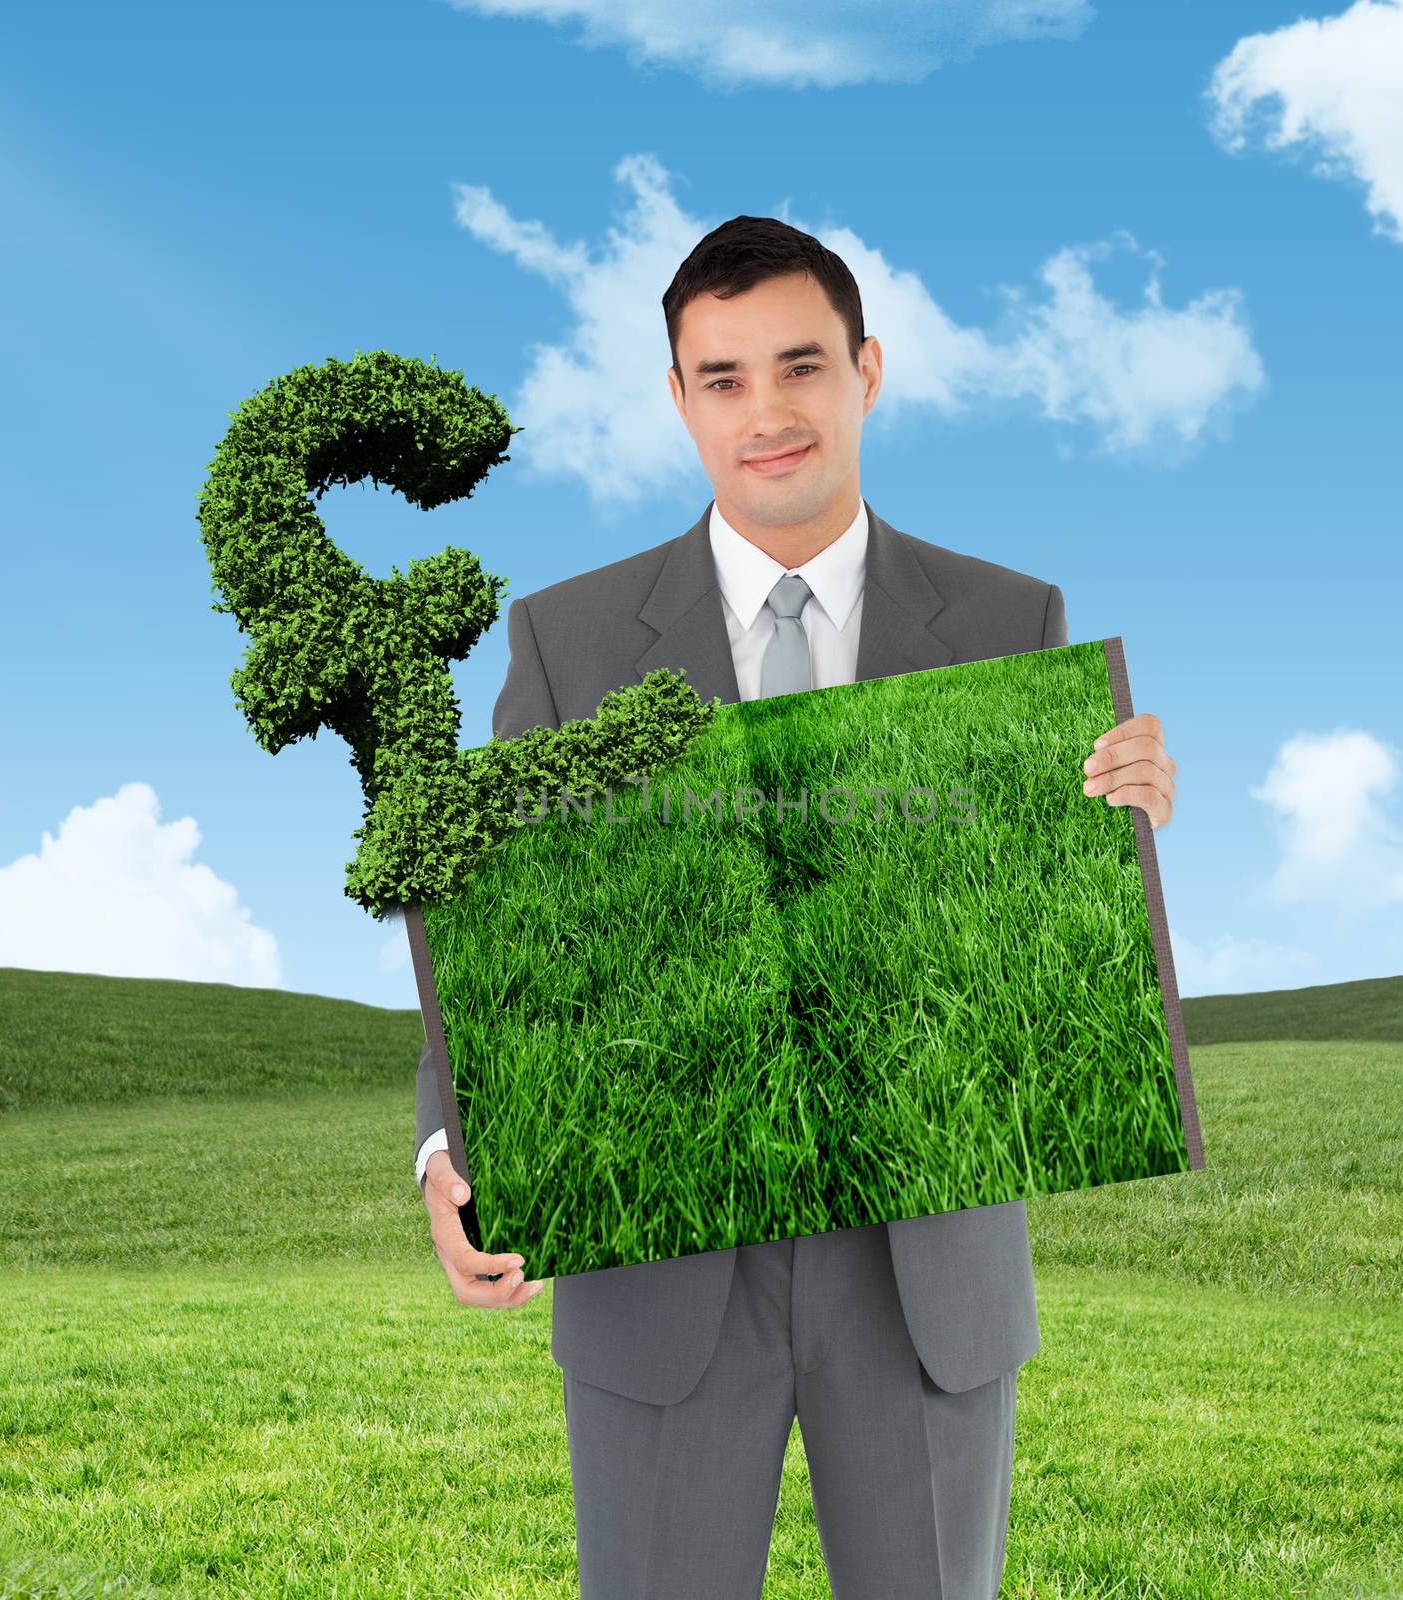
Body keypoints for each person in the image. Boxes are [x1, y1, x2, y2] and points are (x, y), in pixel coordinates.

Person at [414, 215, 1177, 1599]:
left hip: (922, 1269)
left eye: (801, 366)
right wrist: (445, 1149)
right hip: (662, 1269)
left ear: (866, 372)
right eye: (723, 379)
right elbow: (502, 933)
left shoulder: (1010, 619)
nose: (766, 414)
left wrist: (1117, 826)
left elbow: (1032, 945)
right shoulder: (569, 640)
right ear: (679, 400)